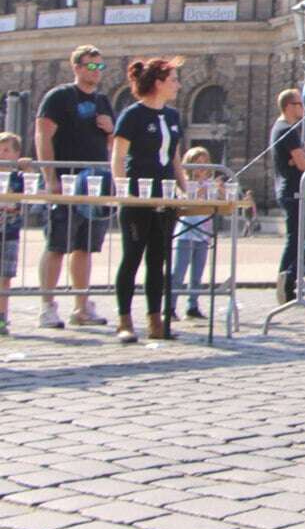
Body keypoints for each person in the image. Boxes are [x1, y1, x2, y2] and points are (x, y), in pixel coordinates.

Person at [34, 44, 114, 329]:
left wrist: (110, 131)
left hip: (94, 183)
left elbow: (112, 146)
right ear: (77, 68)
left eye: (100, 66)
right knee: (57, 244)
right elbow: (43, 135)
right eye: (91, 66)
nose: (96, 72)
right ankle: (47, 306)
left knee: (85, 247)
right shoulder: (60, 97)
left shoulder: (104, 102)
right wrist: (50, 176)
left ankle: (82, 306)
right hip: (67, 180)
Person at [110, 58, 187, 344]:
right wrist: (122, 190)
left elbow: (175, 156)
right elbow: (118, 155)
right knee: (132, 256)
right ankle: (124, 320)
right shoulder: (133, 115)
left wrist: (184, 189)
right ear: (159, 83)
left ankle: (156, 320)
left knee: (158, 259)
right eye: (174, 79)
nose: (178, 85)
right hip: (138, 196)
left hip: (165, 196)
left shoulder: (173, 116)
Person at [271, 88, 305, 304]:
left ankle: (288, 279)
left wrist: (302, 159)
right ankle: (286, 281)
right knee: (301, 239)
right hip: (294, 191)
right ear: (289, 106)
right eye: (299, 104)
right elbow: (301, 163)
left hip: (293, 190)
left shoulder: (283, 129)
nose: (303, 108)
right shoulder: (287, 130)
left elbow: (296, 160)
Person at [168, 146, 213, 321]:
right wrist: (195, 193)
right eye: (196, 163)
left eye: (204, 163)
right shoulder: (183, 184)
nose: (200, 167)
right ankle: (170, 306)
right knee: (178, 274)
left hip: (203, 234)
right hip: (185, 234)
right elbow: (183, 201)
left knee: (197, 275)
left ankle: (192, 306)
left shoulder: (210, 184)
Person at [0, 133, 25, 336]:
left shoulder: (20, 178)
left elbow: (32, 196)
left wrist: (28, 169)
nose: (1, 153)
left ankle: (2, 316)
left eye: (7, 150)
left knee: (5, 276)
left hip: (10, 232)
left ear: (16, 154)